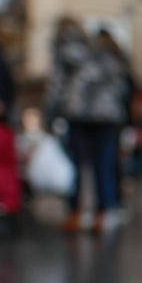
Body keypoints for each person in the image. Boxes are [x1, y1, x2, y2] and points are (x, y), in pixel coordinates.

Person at [46, 20, 132, 234]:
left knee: (78, 166)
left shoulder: (71, 51)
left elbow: (57, 85)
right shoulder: (112, 56)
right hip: (108, 117)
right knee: (105, 166)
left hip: (79, 114)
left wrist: (51, 114)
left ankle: (76, 213)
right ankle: (104, 214)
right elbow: (124, 89)